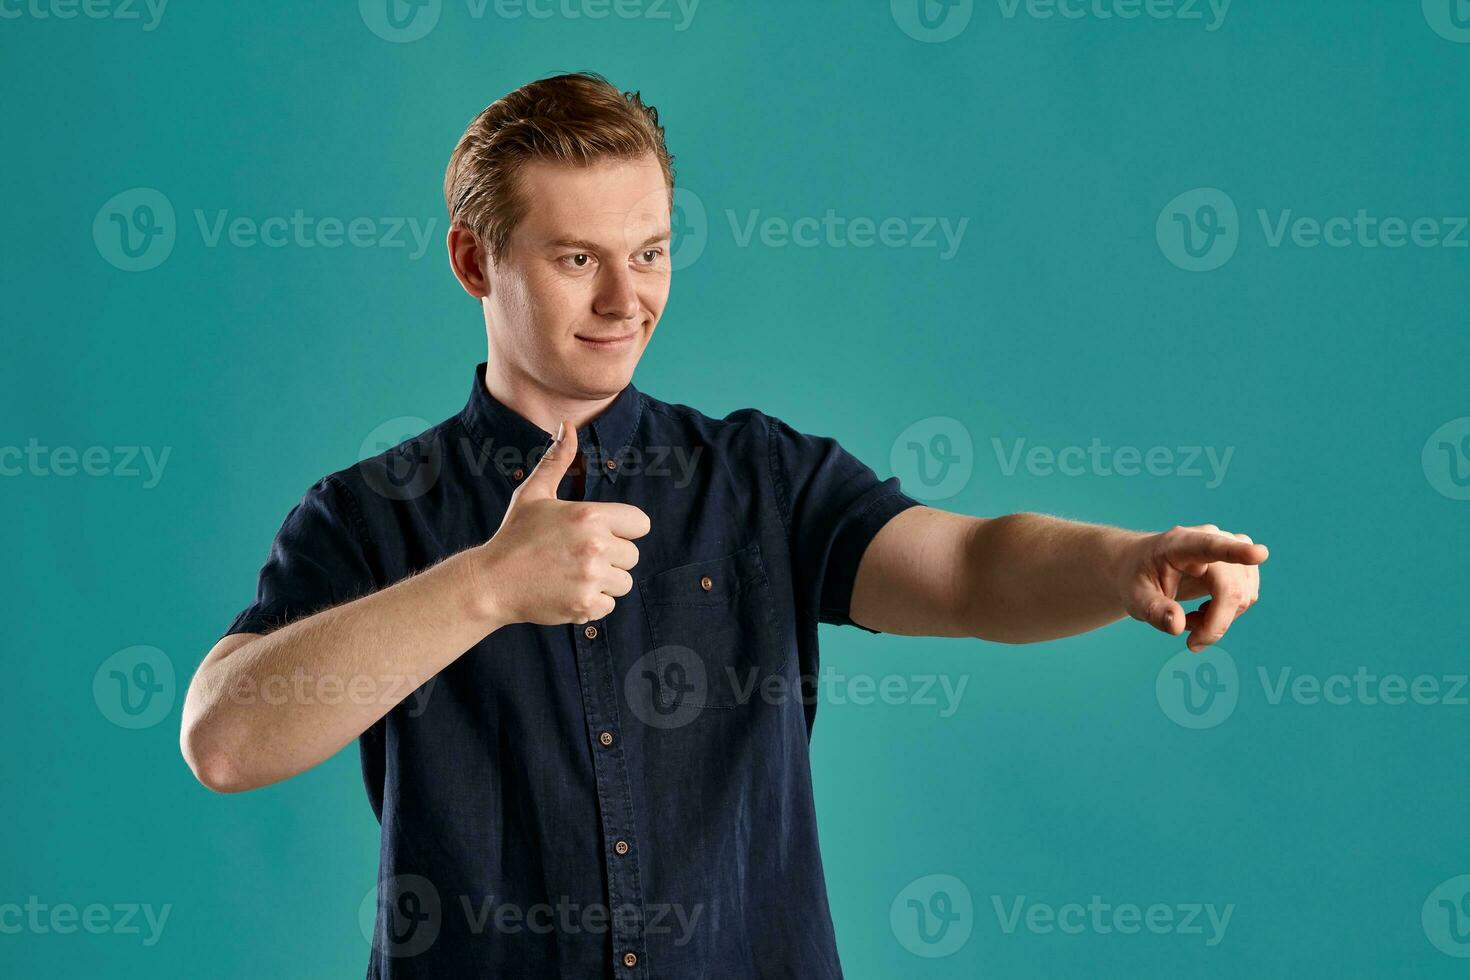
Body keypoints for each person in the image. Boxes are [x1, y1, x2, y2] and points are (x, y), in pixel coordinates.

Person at [179, 71, 1267, 978]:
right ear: (474, 261)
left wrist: (1122, 560)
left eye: (649, 251)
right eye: (576, 259)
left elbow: (972, 567)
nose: (625, 299)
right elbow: (224, 739)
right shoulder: (369, 514)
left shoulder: (759, 477)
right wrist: (484, 586)